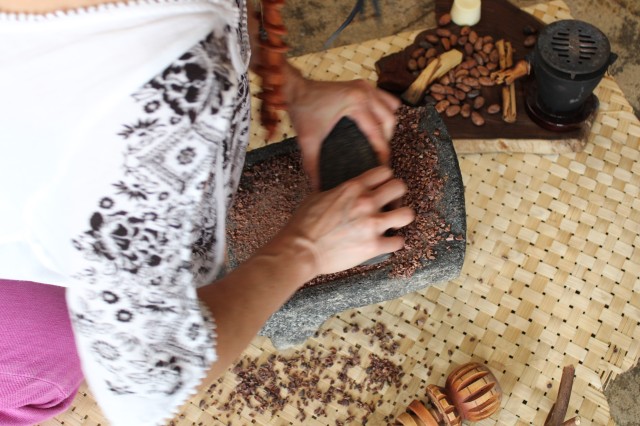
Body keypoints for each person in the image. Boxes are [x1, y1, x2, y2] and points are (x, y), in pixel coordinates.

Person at [0, 0, 414, 425]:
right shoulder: (134, 115)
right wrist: (304, 250)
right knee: (44, 357)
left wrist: (291, 87)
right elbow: (144, 386)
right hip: (19, 293)